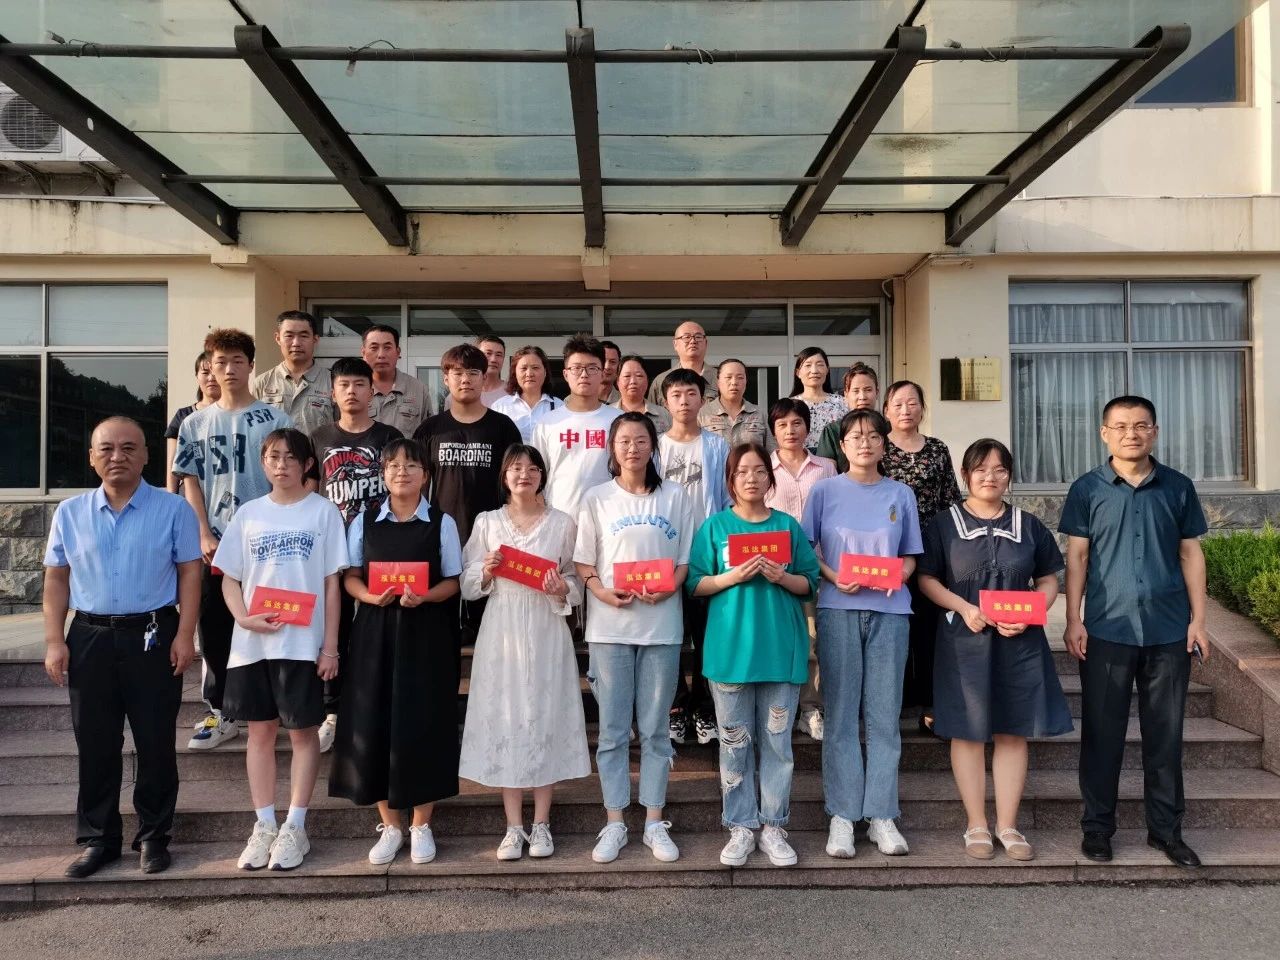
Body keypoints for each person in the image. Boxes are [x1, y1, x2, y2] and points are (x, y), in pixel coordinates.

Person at [42, 416, 202, 879]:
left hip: (153, 634)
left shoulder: (173, 509)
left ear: (146, 456)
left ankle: (154, 836)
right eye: (107, 449)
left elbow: (190, 573)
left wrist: (185, 634)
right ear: (92, 457)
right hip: (89, 638)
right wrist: (54, 640)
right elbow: (57, 579)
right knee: (95, 742)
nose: (118, 457)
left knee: (155, 741)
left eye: (129, 448)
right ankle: (99, 839)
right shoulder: (70, 513)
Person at [1060, 395, 1210, 869]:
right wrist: (1073, 618)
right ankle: (1097, 830)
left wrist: (1199, 620)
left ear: (1155, 431)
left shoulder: (1178, 487)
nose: (1132, 434)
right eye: (1121, 426)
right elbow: (1077, 557)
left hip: (1168, 630)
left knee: (1165, 736)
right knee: (1101, 736)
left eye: (1141, 425)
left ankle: (1166, 832)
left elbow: (1190, 553)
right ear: (1104, 433)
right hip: (1108, 628)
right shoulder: (1087, 489)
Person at [917, 438, 1072, 861]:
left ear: (1009, 476)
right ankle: (976, 824)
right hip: (963, 641)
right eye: (981, 469)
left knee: (1012, 730)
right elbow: (927, 578)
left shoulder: (1028, 525)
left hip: (1018, 642)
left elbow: (1049, 578)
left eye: (1000, 469)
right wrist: (963, 607)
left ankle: (1008, 825)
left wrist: (1034, 611)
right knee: (967, 732)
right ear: (965, 475)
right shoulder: (943, 524)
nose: (990, 477)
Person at [212, 428, 347, 872]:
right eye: (273, 457)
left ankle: (296, 826)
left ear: (307, 464)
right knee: (260, 733)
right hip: (253, 645)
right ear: (263, 463)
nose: (281, 464)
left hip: (303, 644)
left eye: (291, 457)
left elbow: (331, 583)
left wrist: (330, 647)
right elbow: (229, 577)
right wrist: (242, 617)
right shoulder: (249, 514)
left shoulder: (323, 512)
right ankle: (265, 824)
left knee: (304, 734)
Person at [329, 438, 462, 867]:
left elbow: (453, 581)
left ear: (426, 474)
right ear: (383, 474)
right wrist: (370, 596)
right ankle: (390, 825)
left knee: (424, 723)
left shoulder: (441, 522)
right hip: (374, 632)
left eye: (411, 465)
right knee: (375, 721)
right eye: (393, 466)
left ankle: (421, 824)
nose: (401, 472)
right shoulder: (365, 520)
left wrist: (424, 597)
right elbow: (350, 576)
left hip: (426, 634)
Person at [688, 442, 820, 868]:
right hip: (730, 652)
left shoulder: (786, 526)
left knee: (778, 745)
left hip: (780, 649)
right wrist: (730, 577)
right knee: (734, 744)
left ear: (770, 477)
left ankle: (774, 826)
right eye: (742, 471)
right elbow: (695, 583)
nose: (751, 478)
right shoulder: (715, 527)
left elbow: (810, 582)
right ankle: (741, 826)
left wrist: (783, 577)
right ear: (730, 479)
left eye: (759, 470)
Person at [459, 445, 590, 860]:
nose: (524, 475)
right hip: (502, 629)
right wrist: (485, 571)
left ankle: (542, 823)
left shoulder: (562, 523)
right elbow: (466, 582)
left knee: (544, 715)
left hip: (546, 628)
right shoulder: (487, 522)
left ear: (542, 476)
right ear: (504, 475)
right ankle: (514, 826)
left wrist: (562, 589)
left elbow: (576, 580)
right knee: (507, 717)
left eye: (533, 469)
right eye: (516, 468)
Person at [574, 413, 694, 865]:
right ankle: (615, 821)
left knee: (656, 728)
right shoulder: (596, 498)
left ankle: (654, 821)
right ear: (612, 448)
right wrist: (602, 591)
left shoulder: (675, 496)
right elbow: (584, 562)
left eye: (641, 440)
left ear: (652, 447)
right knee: (611, 731)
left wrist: (669, 588)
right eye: (623, 441)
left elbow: (685, 560)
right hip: (609, 629)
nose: (632, 448)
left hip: (662, 627)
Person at [802, 409, 923, 859]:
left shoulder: (901, 494)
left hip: (890, 613)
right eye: (855, 436)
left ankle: (881, 815)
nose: (865, 443)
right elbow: (806, 550)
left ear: (884, 444)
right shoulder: (824, 490)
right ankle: (842, 814)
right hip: (838, 609)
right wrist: (834, 576)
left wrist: (900, 575)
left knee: (884, 715)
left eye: (873, 436)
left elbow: (910, 555)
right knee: (840, 714)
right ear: (842, 445)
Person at [173, 328, 293, 752]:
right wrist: (202, 531)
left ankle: (274, 709)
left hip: (267, 542)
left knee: (272, 622)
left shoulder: (275, 420)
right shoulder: (194, 422)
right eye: (219, 362)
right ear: (209, 366)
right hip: (214, 543)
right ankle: (222, 711)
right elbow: (189, 480)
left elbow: (289, 479)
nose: (228, 369)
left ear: (251, 365)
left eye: (237, 361)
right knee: (216, 628)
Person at [309, 356, 404, 753]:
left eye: (359, 384)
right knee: (333, 629)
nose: (352, 391)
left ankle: (375, 703)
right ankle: (332, 711)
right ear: (332, 393)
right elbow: (310, 493)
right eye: (344, 385)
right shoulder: (318, 437)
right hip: (331, 548)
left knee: (376, 627)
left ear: (372, 392)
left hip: (377, 548)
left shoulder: (388, 436)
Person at [881, 379, 961, 734]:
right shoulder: (877, 447)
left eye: (912, 402)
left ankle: (931, 703)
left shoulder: (937, 449)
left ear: (922, 408)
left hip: (930, 549)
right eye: (898, 403)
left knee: (929, 628)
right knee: (892, 628)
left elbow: (950, 501)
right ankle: (894, 703)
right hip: (888, 552)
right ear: (886, 410)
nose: (905, 409)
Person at [658, 368, 730, 746]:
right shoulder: (656, 447)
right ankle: (676, 705)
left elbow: (727, 499)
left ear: (703, 400)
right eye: (676, 395)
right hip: (666, 554)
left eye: (691, 394)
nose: (684, 401)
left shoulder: (717, 446)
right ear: (665, 401)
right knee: (670, 635)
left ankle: (704, 707)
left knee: (706, 635)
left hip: (706, 556)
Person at [764, 398, 837, 742]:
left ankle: (810, 708)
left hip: (814, 568)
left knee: (812, 642)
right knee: (776, 637)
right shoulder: (763, 468)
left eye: (797, 423)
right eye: (782, 424)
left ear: (808, 427)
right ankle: (779, 707)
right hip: (770, 571)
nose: (790, 430)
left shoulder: (826, 468)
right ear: (773, 430)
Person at [413, 343, 522, 546]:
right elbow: (417, 485)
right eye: (458, 373)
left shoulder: (503, 427)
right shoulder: (429, 430)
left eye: (473, 373)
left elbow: (515, 483)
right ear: (446, 379)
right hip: (441, 531)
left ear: (484, 378)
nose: (465, 379)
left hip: (494, 533)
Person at [533, 336, 621, 519]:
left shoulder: (618, 421)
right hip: (558, 518)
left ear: (602, 373)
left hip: (609, 518)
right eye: (576, 368)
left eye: (592, 368)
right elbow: (536, 475)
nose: (584, 374)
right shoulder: (548, 423)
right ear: (566, 374)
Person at [251, 310, 335, 435]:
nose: (296, 343)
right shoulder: (262, 383)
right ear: (278, 338)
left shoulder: (332, 381)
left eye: (304, 336)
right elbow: (253, 431)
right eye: (289, 336)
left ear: (315, 339)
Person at [361, 323, 432, 437]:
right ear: (364, 353)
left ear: (398, 352)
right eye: (374, 348)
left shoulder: (418, 389)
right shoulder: (352, 390)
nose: (381, 355)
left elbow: (428, 435)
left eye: (387, 348)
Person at [164, 351, 220, 493]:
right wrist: (172, 497)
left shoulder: (235, 415)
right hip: (190, 492)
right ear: (197, 376)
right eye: (205, 372)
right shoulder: (183, 416)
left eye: (215, 372)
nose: (211, 378)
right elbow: (172, 463)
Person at [490, 345, 563, 442]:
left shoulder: (559, 406)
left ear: (545, 372)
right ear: (515, 373)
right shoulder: (500, 407)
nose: (529, 374)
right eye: (524, 368)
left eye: (535, 368)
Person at [816, 362, 880, 471]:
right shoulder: (833, 431)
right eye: (856, 391)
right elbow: (825, 472)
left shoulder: (888, 428)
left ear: (877, 392)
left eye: (868, 390)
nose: (862, 397)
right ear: (846, 394)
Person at [790, 347, 847, 453]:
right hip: (801, 458)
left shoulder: (842, 403)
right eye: (808, 365)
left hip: (835, 459)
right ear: (798, 373)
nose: (814, 370)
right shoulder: (790, 405)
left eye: (820, 365)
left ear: (827, 370)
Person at [699, 358, 765, 449]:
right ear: (718, 382)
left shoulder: (759, 413)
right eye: (728, 377)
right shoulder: (702, 414)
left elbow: (771, 451)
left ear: (746, 382)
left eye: (740, 377)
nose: (734, 382)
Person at [649, 321, 718, 407]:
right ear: (675, 344)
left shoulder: (721, 379)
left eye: (698, 337)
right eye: (686, 337)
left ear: (706, 343)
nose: (693, 341)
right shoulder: (660, 381)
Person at [611, 354, 671, 435]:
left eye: (639, 376)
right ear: (618, 382)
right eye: (627, 376)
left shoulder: (663, 414)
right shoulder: (607, 413)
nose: (633, 381)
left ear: (647, 381)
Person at [476, 335, 510, 407]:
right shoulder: (464, 392)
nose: (493, 359)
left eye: (498, 355)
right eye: (488, 353)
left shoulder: (513, 392)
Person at [600, 340, 622, 404]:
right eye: (603, 361)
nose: (607, 367)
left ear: (619, 366)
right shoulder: (576, 399)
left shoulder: (625, 402)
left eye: (613, 362)